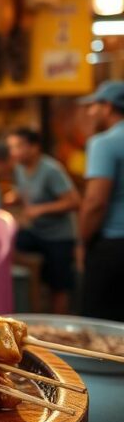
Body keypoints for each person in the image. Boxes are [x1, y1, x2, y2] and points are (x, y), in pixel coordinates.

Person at [7, 127, 80, 314]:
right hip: (36, 232)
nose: (13, 152)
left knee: (60, 285)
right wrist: (15, 197)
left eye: (18, 146)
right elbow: (27, 193)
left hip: (59, 236)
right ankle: (30, 307)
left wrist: (40, 210)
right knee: (13, 248)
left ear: (34, 147)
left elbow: (73, 201)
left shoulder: (51, 170)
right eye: (11, 147)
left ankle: (58, 325)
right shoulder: (19, 169)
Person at [78, 81, 124, 321]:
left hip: (113, 247)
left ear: (107, 107)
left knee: (102, 327)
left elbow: (95, 202)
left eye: (93, 105)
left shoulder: (104, 142)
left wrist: (82, 242)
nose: (90, 112)